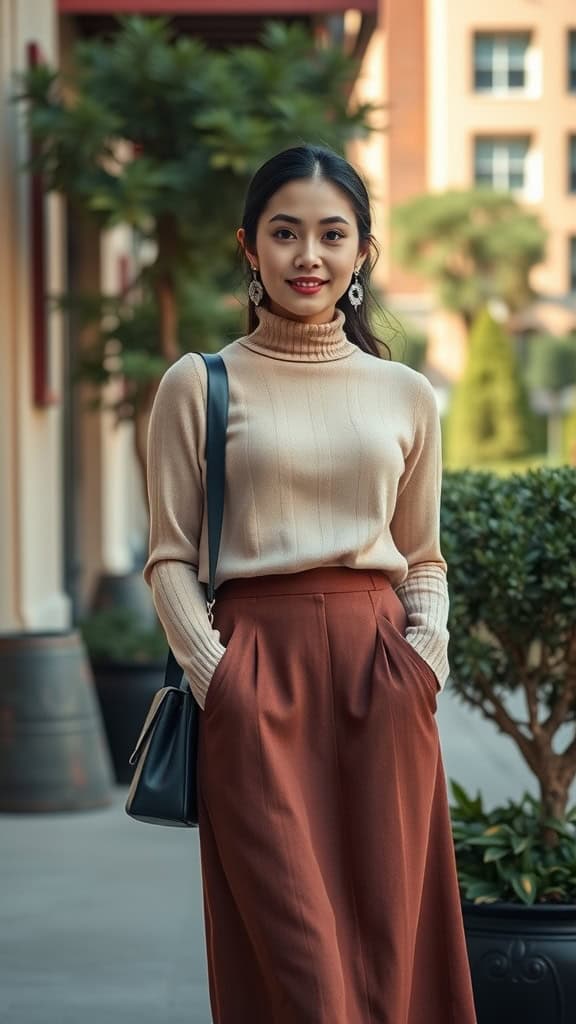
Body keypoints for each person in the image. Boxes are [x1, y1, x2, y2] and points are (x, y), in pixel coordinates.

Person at [143, 144, 477, 1024]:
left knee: (388, 959)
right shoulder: (197, 385)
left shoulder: (406, 394)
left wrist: (425, 661)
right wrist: (224, 681)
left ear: (363, 253)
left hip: (384, 679)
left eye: (333, 235)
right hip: (259, 678)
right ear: (248, 245)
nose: (309, 257)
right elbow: (169, 556)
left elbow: (424, 556)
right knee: (301, 971)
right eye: (285, 233)